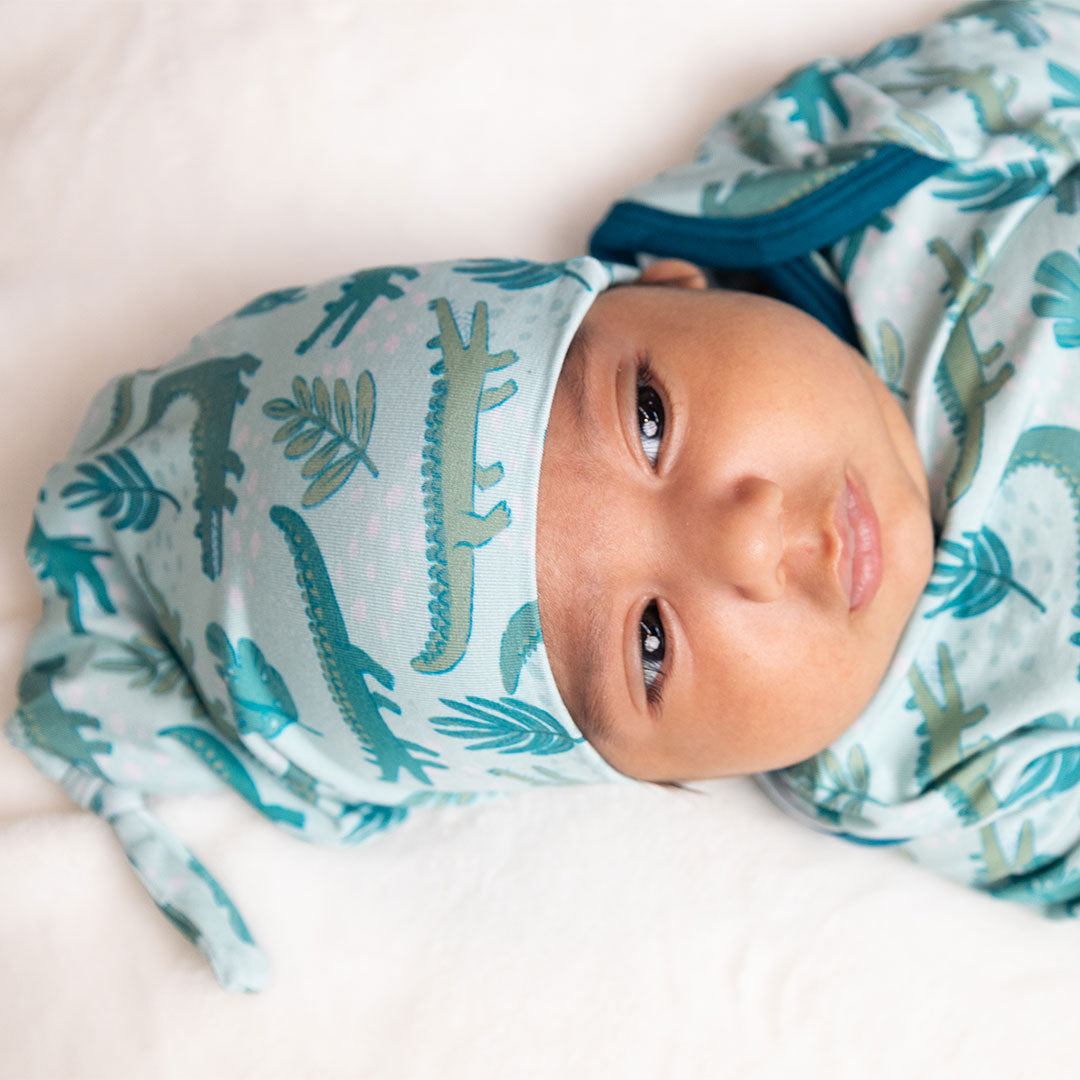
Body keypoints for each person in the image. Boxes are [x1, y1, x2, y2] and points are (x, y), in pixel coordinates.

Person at [9, 0, 1080, 992]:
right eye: (650, 647)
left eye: (649, 416)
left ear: (667, 285)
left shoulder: (868, 184)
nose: (753, 539)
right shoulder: (909, 774)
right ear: (653, 774)